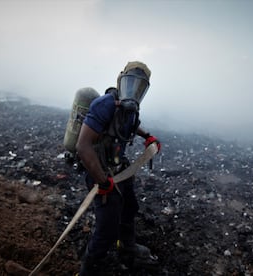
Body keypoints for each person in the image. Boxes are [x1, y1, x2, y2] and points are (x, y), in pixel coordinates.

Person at [76, 61, 161, 275]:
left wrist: (147, 136)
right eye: (130, 82)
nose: (133, 90)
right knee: (107, 228)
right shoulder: (105, 104)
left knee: (129, 208)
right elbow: (83, 145)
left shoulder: (129, 107)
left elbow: (131, 123)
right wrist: (102, 182)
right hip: (100, 171)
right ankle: (88, 269)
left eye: (139, 86)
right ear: (121, 80)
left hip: (118, 169)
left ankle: (126, 246)